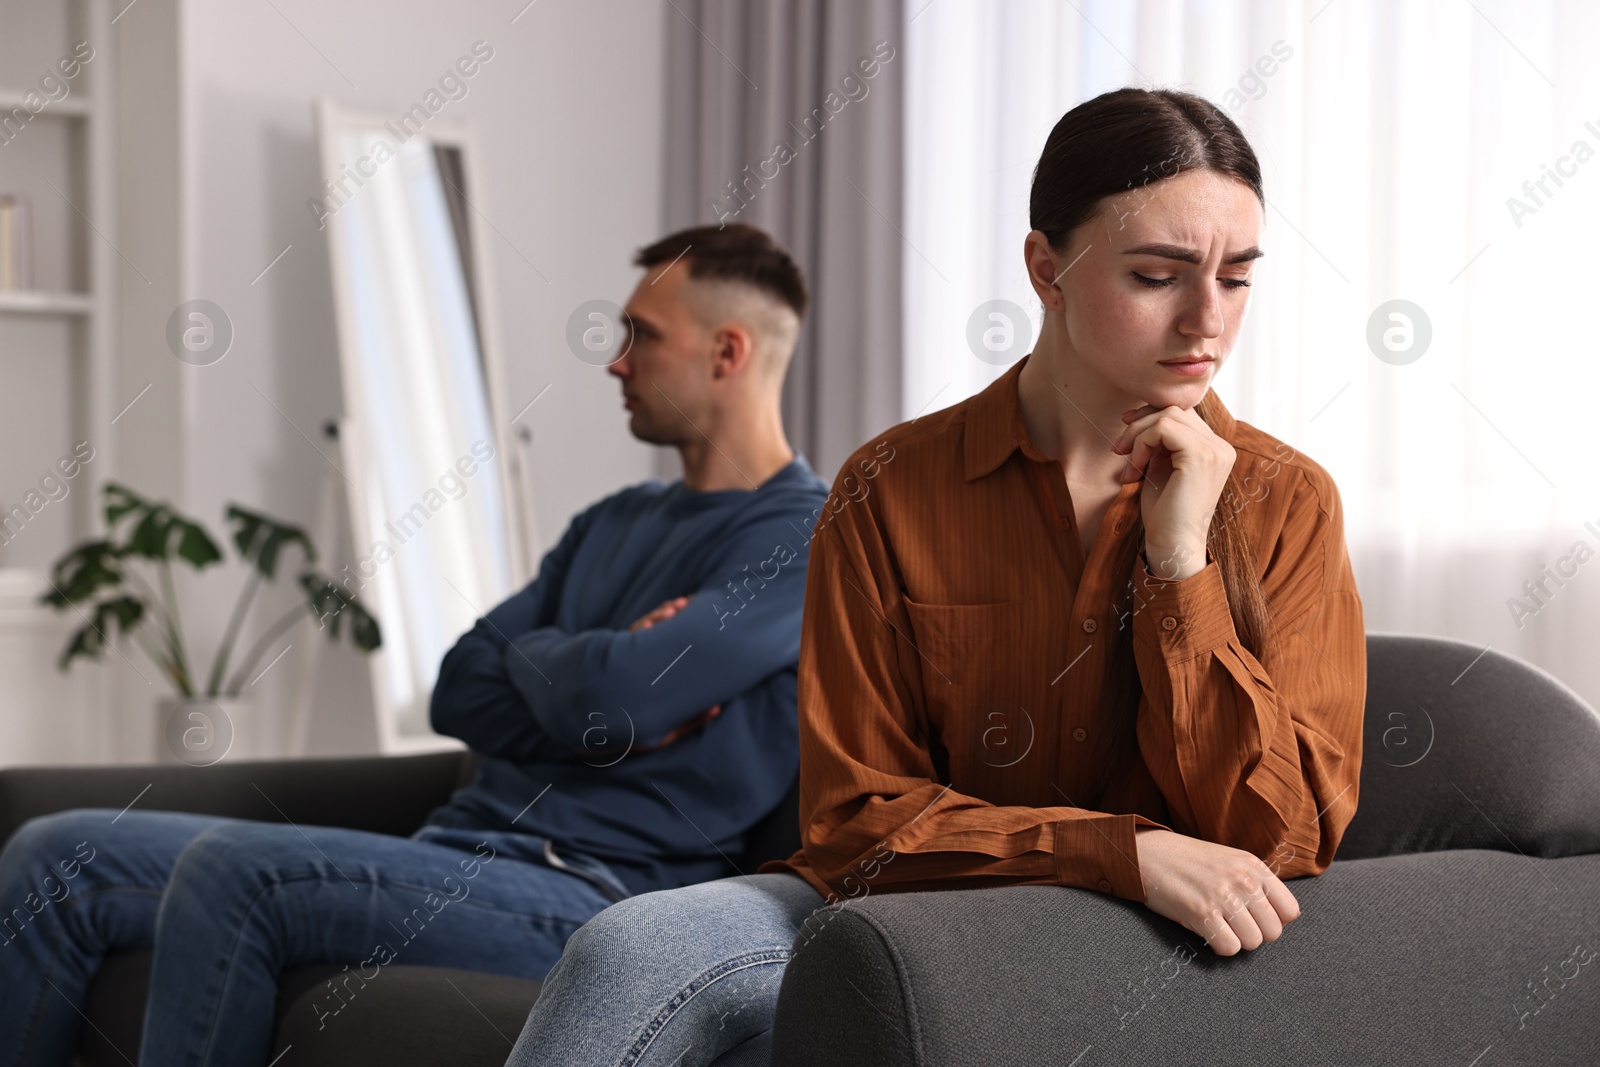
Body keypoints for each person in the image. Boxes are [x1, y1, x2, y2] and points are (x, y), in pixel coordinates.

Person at [502, 86, 1367, 1067]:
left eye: (1237, 277)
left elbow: (1282, 836)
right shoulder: (887, 486)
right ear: (1046, 268)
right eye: (1156, 275)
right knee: (625, 944)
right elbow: (849, 821)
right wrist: (1111, 848)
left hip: (1155, 942)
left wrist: (1180, 568)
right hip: (895, 913)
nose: (1206, 319)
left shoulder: (1286, 502)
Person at [0, 222, 829, 1067]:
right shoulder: (609, 522)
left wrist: (569, 667)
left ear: (728, 352)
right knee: (54, 855)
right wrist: (595, 664)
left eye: (641, 337)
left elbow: (613, 703)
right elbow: (460, 683)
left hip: (592, 888)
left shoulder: (804, 535)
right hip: (450, 853)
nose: (615, 362)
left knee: (232, 871)